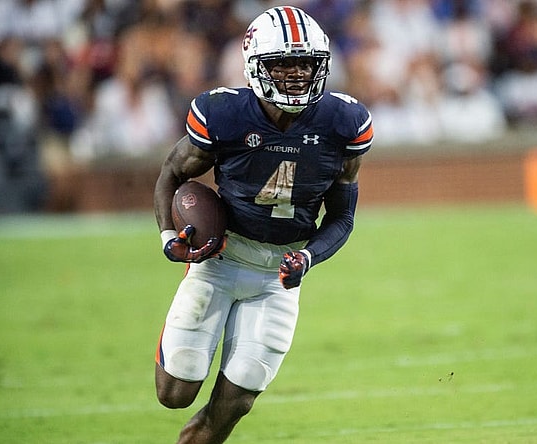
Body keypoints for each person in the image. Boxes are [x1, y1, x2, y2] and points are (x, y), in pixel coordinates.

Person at [152, 6, 373, 443]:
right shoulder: (224, 114)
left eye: (305, 64)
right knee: (175, 392)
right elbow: (172, 174)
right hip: (221, 258)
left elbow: (343, 215)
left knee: (237, 400)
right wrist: (167, 237)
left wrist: (308, 257)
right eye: (284, 63)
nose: (296, 74)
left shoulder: (343, 123)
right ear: (256, 66)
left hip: (278, 275)